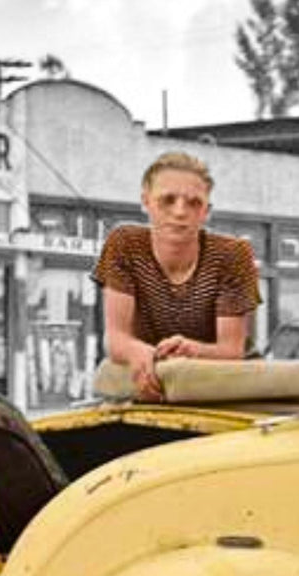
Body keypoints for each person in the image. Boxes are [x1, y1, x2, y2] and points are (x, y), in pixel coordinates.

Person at [92, 151, 261, 400]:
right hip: (147, 382)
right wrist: (137, 351)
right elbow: (115, 338)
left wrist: (192, 350)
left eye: (194, 203)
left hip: (224, 387)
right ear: (145, 201)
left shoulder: (233, 254)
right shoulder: (124, 243)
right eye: (167, 200)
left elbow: (232, 350)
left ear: (207, 211)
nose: (180, 212)